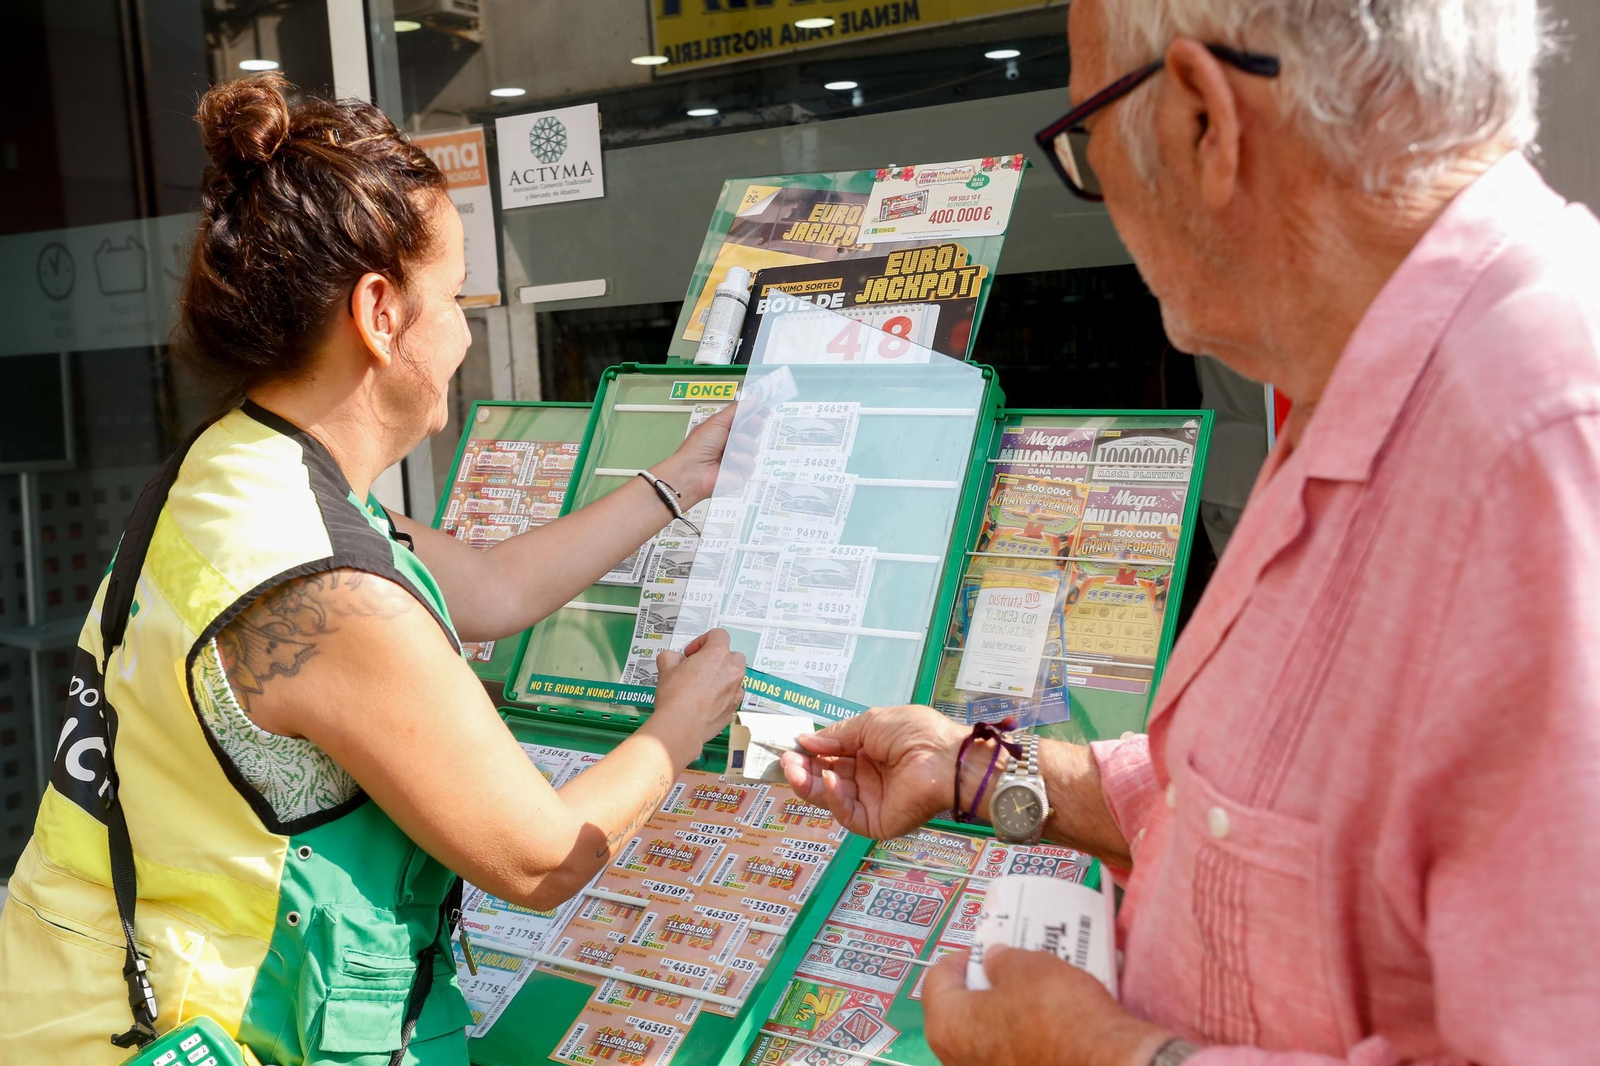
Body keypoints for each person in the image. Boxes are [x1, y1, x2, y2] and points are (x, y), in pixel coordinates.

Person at [784, 1, 1600, 1064]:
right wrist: (974, 767)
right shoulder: (1366, 380)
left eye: (1086, 137)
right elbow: (1238, 816)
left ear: (1203, 121)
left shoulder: (1541, 437)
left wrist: (1104, 1054)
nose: (1102, 188)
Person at [0, 73, 747, 1065]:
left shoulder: (238, 471)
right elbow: (541, 856)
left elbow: (487, 589)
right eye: (456, 298)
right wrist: (678, 726)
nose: (469, 333)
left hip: (71, 999)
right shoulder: (322, 591)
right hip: (193, 1028)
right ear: (380, 312)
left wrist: (676, 478)